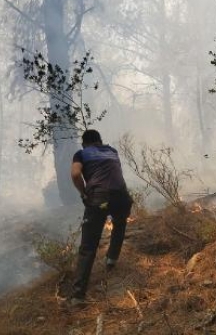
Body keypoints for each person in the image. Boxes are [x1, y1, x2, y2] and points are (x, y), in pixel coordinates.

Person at [69, 129, 133, 304]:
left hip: (99, 198)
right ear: (100, 140)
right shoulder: (112, 151)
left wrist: (83, 193)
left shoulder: (81, 153)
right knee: (119, 225)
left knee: (88, 246)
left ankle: (78, 296)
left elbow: (75, 174)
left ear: (84, 143)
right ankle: (112, 260)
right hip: (122, 197)